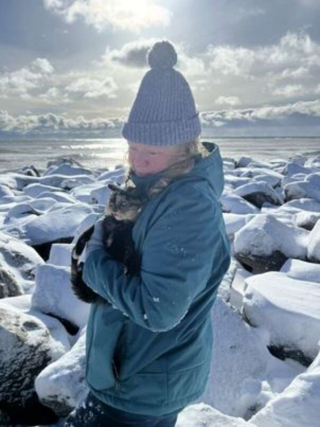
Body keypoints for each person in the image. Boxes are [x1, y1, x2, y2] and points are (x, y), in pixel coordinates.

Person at [64, 40, 231, 427]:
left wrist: (93, 265)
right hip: (143, 375)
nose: (138, 160)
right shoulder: (155, 183)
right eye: (133, 146)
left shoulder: (188, 206)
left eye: (152, 151)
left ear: (185, 146)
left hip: (140, 387)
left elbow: (156, 308)